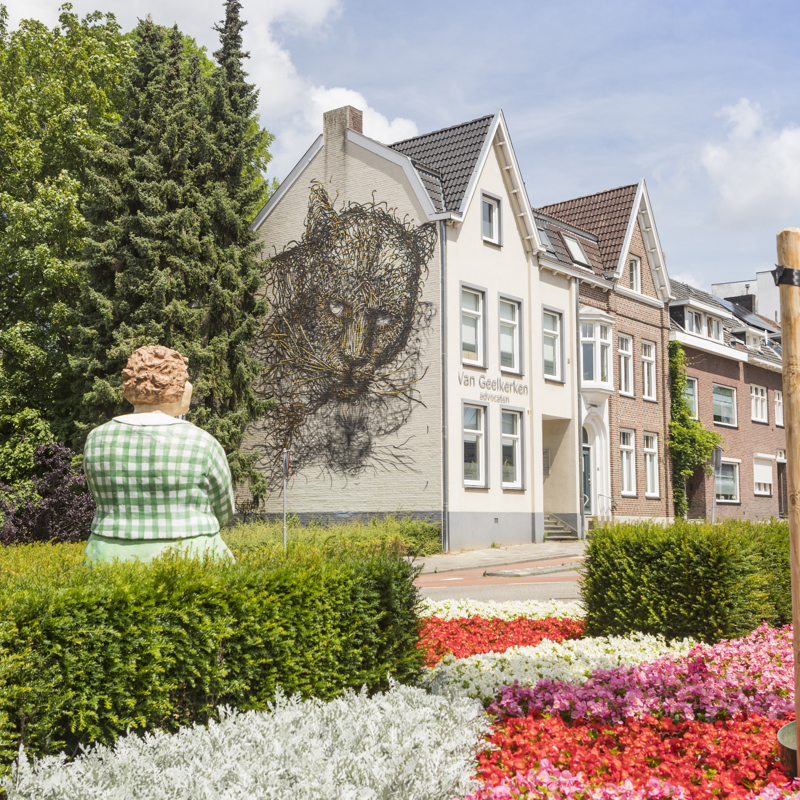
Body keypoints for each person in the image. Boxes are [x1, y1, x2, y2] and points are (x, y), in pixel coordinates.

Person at [83, 345, 236, 563]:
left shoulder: (97, 439)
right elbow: (224, 508)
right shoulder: (202, 442)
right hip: (192, 556)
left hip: (109, 555)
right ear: (175, 387)